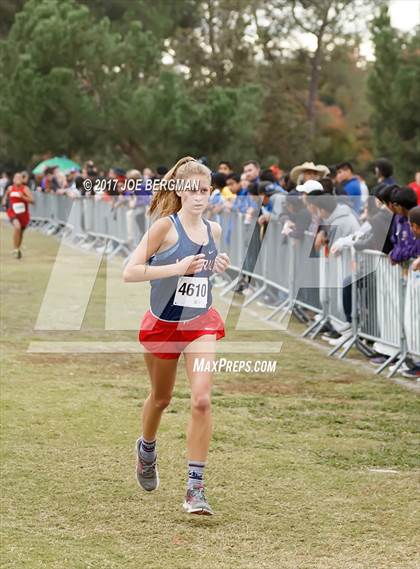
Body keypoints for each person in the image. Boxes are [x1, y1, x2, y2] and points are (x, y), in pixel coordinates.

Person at [123, 156, 230, 516]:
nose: (199, 197)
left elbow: (201, 277)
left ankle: (195, 489)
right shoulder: (163, 229)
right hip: (164, 325)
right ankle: (147, 449)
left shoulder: (214, 231)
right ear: (179, 191)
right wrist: (177, 267)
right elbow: (130, 272)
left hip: (200, 323)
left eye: (204, 190)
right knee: (161, 398)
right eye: (192, 190)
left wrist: (216, 266)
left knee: (201, 400)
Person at [2, 172, 35, 259]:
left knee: (20, 232)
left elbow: (32, 201)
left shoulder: (25, 189)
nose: (17, 179)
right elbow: (5, 198)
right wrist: (4, 202)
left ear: (22, 179)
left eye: (19, 178)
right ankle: (15, 249)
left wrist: (23, 197)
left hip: (23, 214)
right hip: (12, 212)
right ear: (13, 179)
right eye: (16, 178)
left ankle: (17, 249)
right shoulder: (10, 188)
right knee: (17, 227)